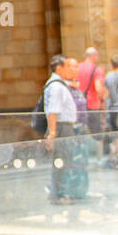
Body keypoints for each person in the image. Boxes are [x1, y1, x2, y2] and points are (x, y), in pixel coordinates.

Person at [43, 54, 80, 203]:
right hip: (61, 128)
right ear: (59, 68)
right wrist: (52, 134)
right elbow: (53, 111)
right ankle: (59, 194)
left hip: (63, 127)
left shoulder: (59, 84)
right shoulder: (56, 87)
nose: (69, 70)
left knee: (64, 160)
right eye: (66, 67)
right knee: (61, 162)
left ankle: (60, 192)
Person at [76, 47, 106, 136]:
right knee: (96, 135)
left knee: (80, 133)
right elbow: (98, 89)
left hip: (79, 106)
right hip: (92, 106)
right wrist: (102, 99)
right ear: (94, 56)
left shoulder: (77, 67)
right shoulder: (97, 69)